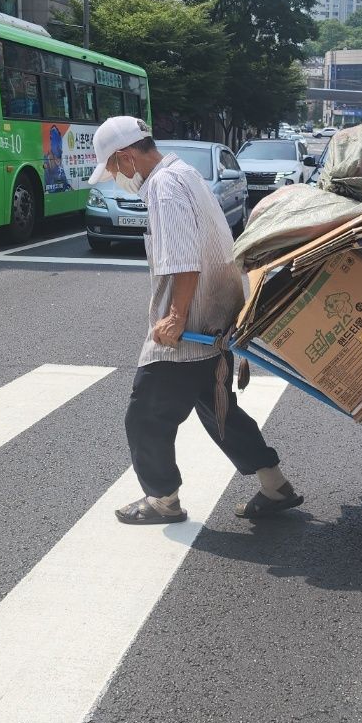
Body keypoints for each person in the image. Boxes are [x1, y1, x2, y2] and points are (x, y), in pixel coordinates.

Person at [89, 116, 301, 526]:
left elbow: (184, 260)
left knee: (145, 416)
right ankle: (275, 485)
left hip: (192, 328)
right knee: (219, 410)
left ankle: (162, 499)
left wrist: (173, 317)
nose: (116, 177)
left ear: (126, 156)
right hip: (217, 317)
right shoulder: (183, 174)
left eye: (114, 168)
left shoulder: (165, 188)